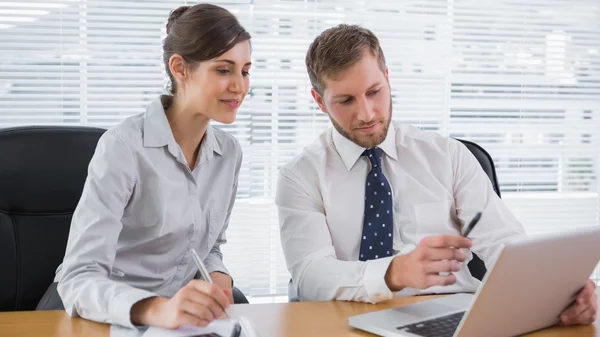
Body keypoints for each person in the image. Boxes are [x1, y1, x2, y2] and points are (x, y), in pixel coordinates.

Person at [275, 24, 597, 326]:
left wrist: (560, 291)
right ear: (319, 101)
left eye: (374, 91)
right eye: (345, 100)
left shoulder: (449, 156)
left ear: (387, 78)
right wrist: (393, 273)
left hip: (454, 316)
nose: (367, 113)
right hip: (349, 319)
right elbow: (311, 276)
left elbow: (504, 244)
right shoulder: (301, 176)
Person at [39, 3, 253, 329]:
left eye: (245, 70)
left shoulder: (229, 153)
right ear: (180, 68)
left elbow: (208, 247)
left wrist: (218, 275)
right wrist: (156, 309)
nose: (239, 85)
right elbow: (78, 277)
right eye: (224, 70)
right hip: (94, 310)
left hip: (172, 313)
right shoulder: (124, 147)